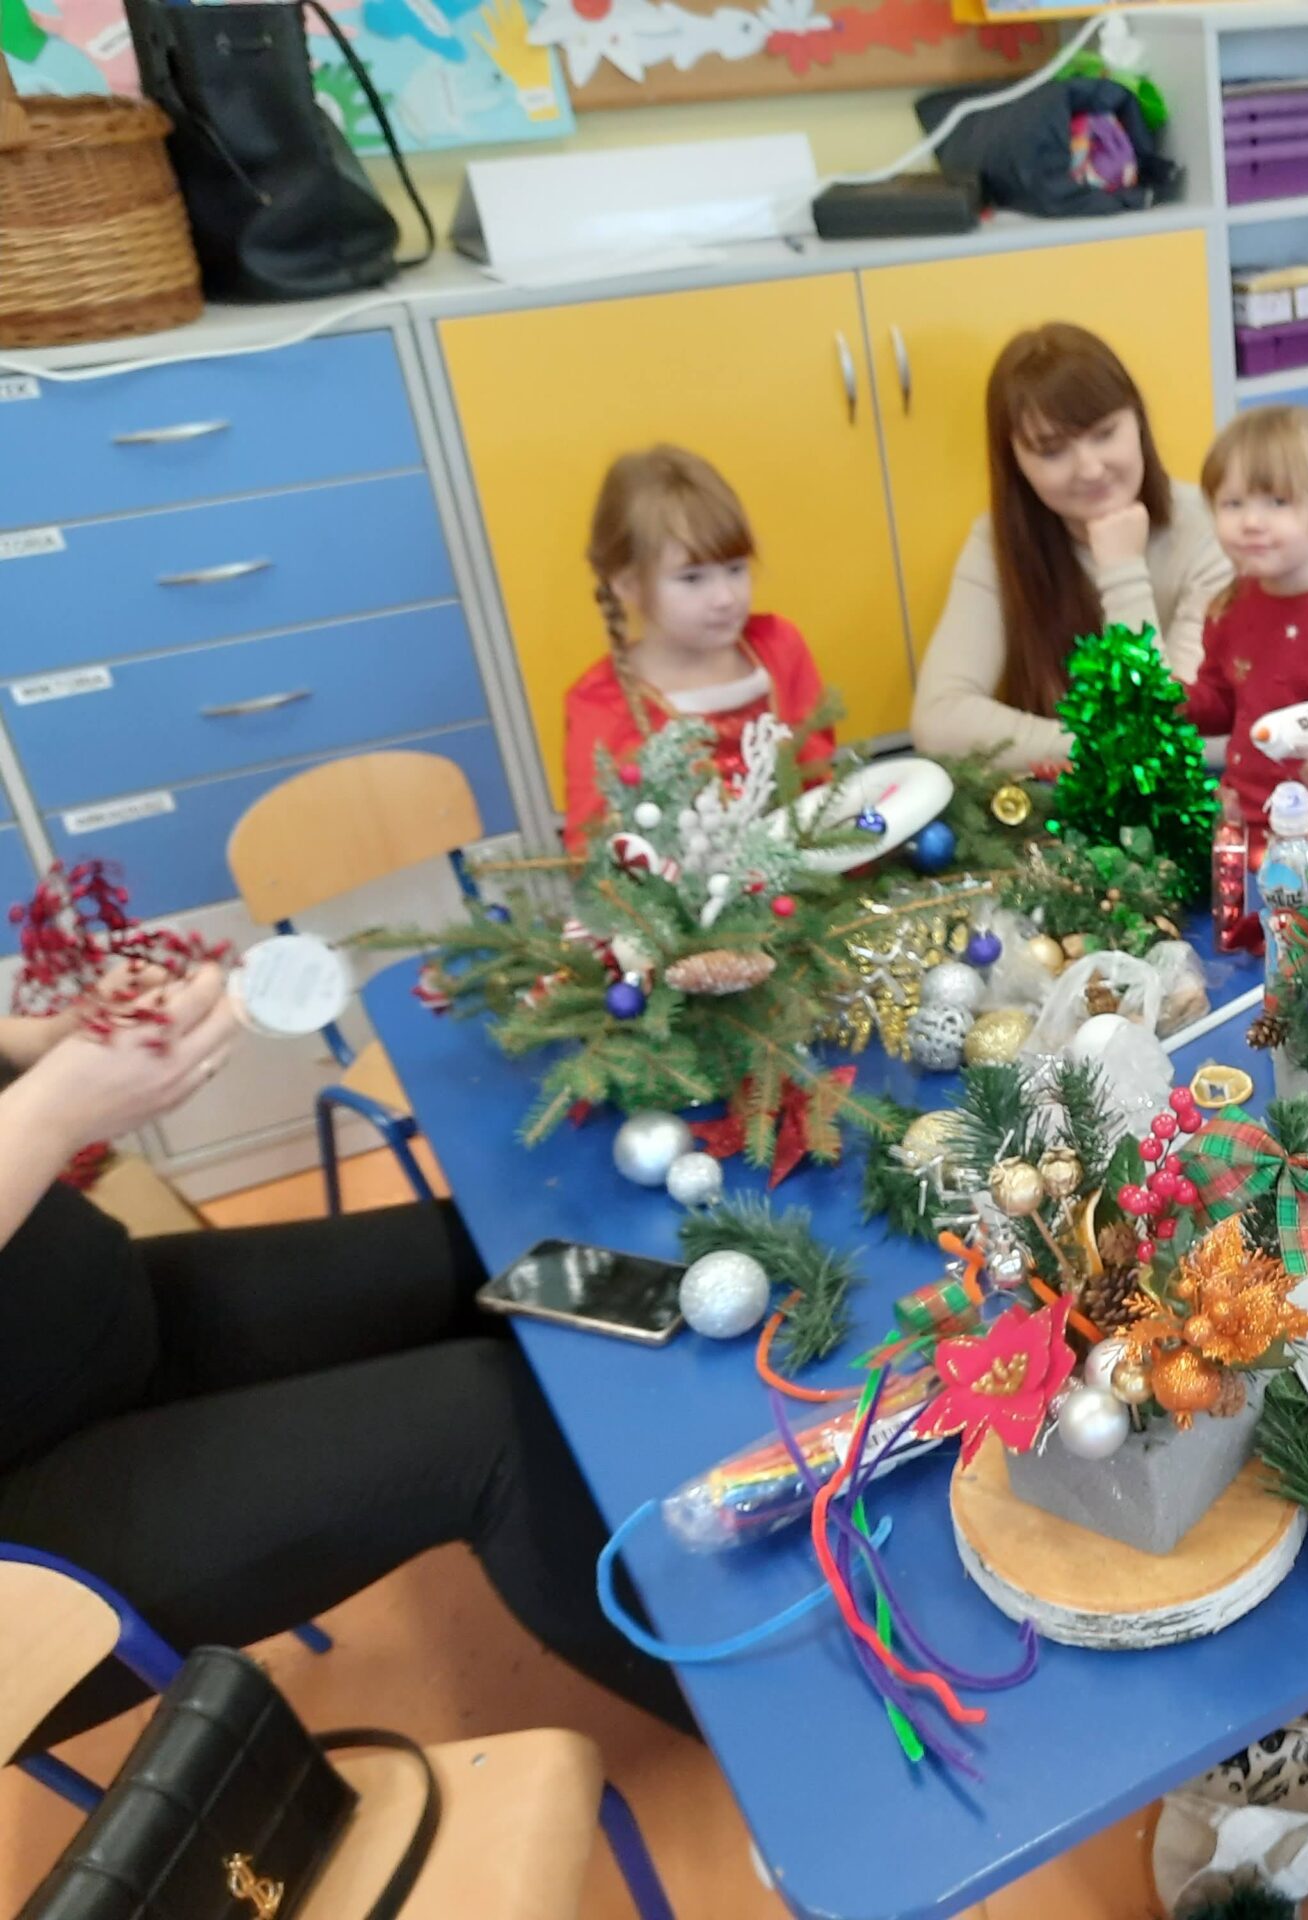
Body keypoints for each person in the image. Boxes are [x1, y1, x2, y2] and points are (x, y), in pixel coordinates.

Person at [0, 965, 692, 1748]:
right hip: (24, 1534)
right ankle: (749, 1722)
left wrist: (37, 1043)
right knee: (484, 1425)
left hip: (90, 1317)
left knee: (511, 1260)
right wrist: (51, 1109)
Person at [909, 323, 1230, 773]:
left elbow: (1168, 722)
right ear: (1016, 463)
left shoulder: (1212, 528)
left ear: (1138, 422)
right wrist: (1100, 748)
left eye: (1104, 433)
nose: (1090, 468)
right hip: (1061, 793)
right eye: (1052, 451)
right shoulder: (996, 542)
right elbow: (938, 721)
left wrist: (1122, 570)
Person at [560, 445, 834, 848]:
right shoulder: (603, 703)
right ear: (629, 585)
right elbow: (595, 851)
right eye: (692, 578)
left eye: (735, 569)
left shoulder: (778, 647)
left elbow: (820, 780)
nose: (725, 597)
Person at [1184, 406, 1308, 830]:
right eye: (1232, 503)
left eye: (1278, 502)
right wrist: (1163, 698)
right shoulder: (1229, 606)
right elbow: (1222, 704)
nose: (1251, 522)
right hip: (1243, 824)